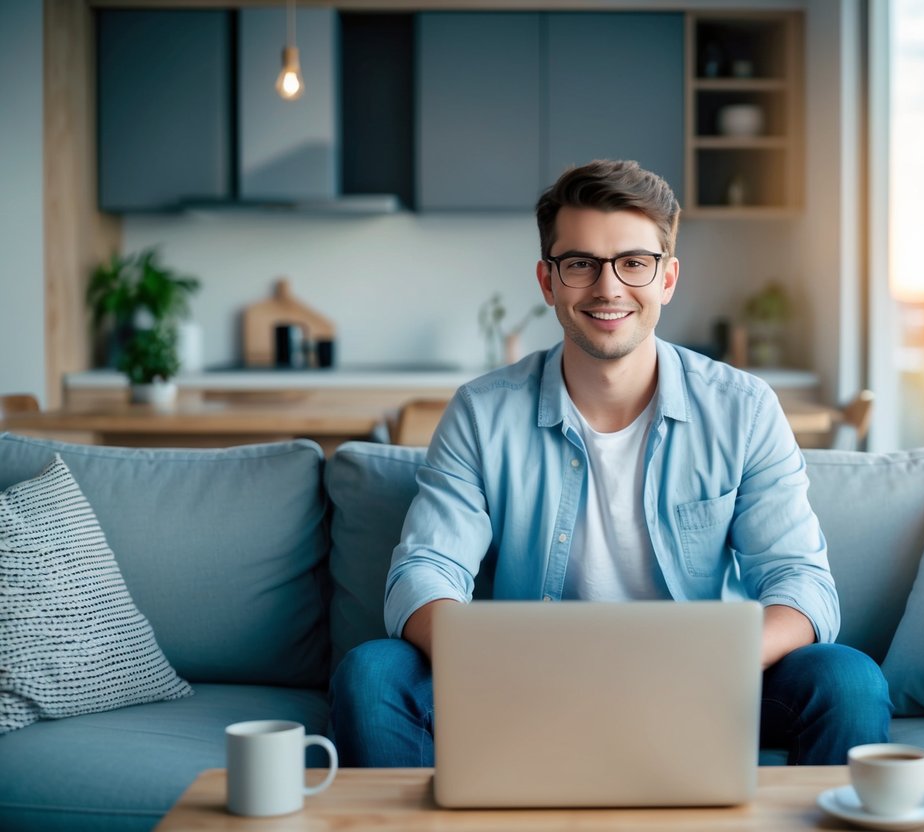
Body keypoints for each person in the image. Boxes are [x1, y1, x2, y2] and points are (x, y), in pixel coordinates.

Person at [330, 159, 890, 767]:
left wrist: (718, 657)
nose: (608, 287)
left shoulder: (745, 409)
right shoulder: (481, 412)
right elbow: (426, 571)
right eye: (580, 264)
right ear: (548, 282)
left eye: (634, 262)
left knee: (848, 680)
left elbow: (801, 582)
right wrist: (496, 659)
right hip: (524, 684)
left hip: (704, 684)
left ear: (667, 278)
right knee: (371, 672)